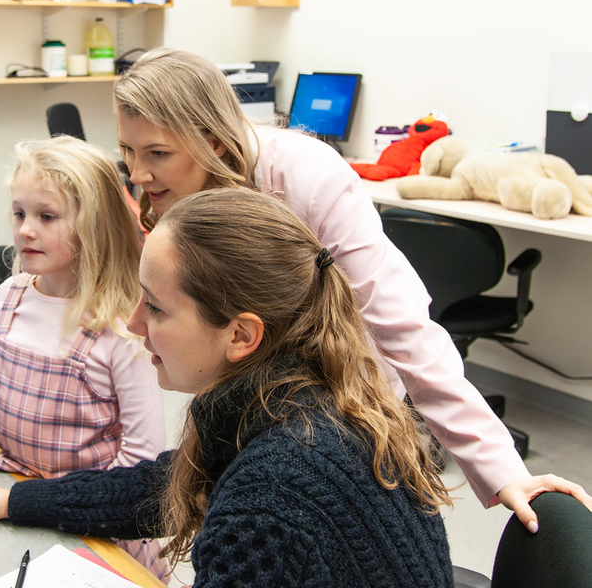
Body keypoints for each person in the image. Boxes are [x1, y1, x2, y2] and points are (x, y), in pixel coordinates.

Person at [110, 47, 592, 532]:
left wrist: (503, 470)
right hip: (254, 377)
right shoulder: (172, 188)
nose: (138, 173)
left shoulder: (303, 174)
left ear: (213, 140)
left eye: (157, 153)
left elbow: (401, 326)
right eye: (128, 151)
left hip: (346, 380)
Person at [0, 188, 455, 587]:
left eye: (157, 307)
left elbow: (235, 500)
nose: (134, 323)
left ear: (241, 334)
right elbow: (170, 483)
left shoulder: (267, 500)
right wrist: (11, 499)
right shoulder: (310, 397)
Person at [0, 136, 167, 578]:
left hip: (91, 522)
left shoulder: (122, 329)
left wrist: (66, 506)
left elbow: (142, 458)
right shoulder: (6, 299)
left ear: (93, 225)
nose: (26, 229)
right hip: (10, 491)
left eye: (46, 216)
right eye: (20, 213)